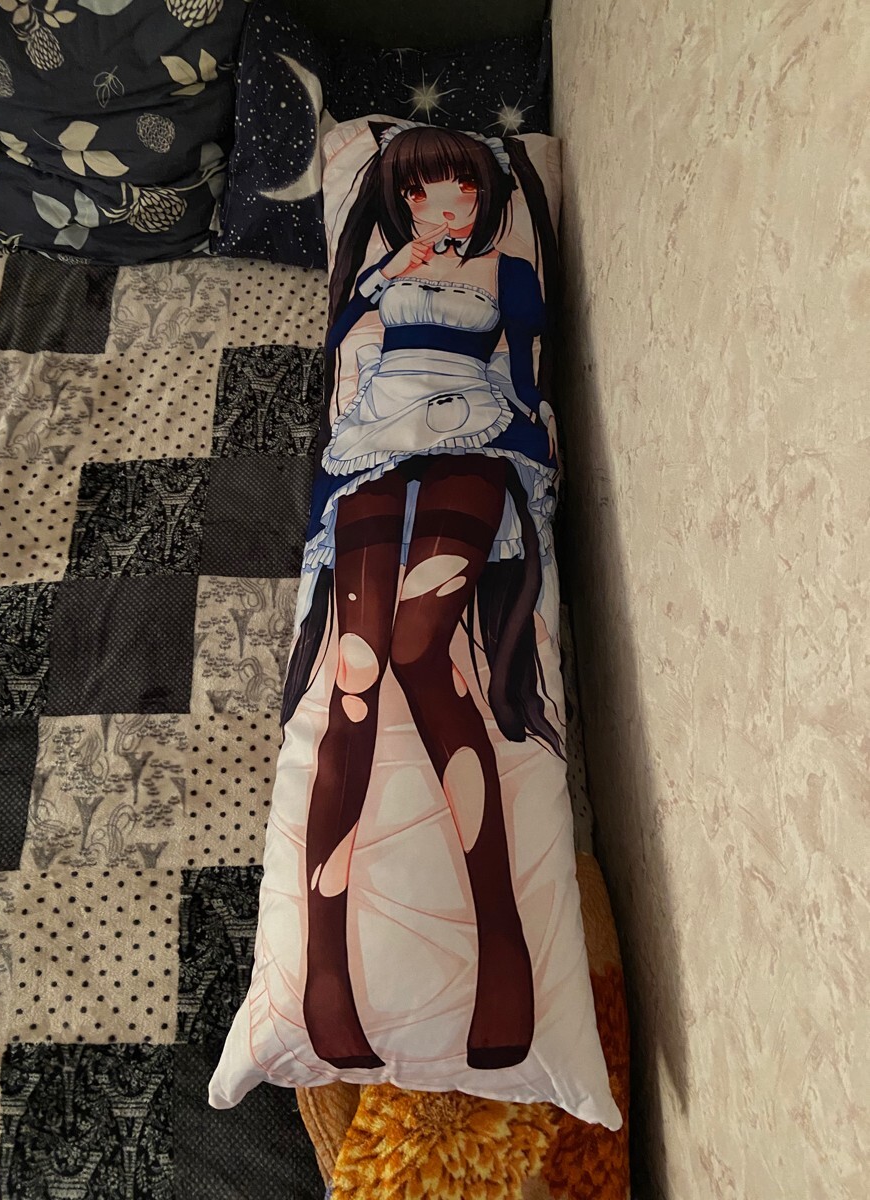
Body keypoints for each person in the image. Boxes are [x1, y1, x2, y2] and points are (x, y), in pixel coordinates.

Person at [282, 121, 564, 1071]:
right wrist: (387, 272)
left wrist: (533, 454)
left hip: (471, 444)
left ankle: (503, 948)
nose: (446, 207)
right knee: (355, 676)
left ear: (485, 197)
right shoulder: (385, 273)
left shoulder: (507, 274)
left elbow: (525, 367)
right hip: (374, 445)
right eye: (424, 192)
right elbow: (343, 349)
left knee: (416, 650)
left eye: (463, 190)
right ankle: (325, 975)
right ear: (402, 201)